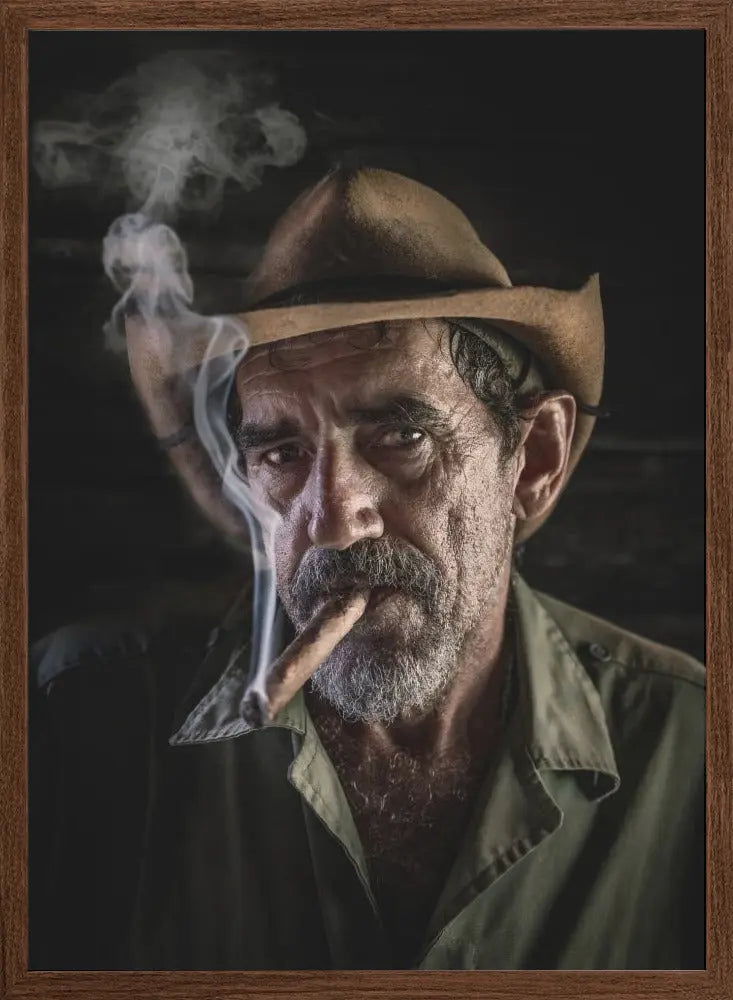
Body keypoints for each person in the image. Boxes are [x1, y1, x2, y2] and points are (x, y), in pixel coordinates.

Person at [30, 168, 705, 971]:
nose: (332, 518)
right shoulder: (73, 720)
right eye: (281, 452)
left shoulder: (694, 750)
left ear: (533, 460)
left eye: (401, 437)